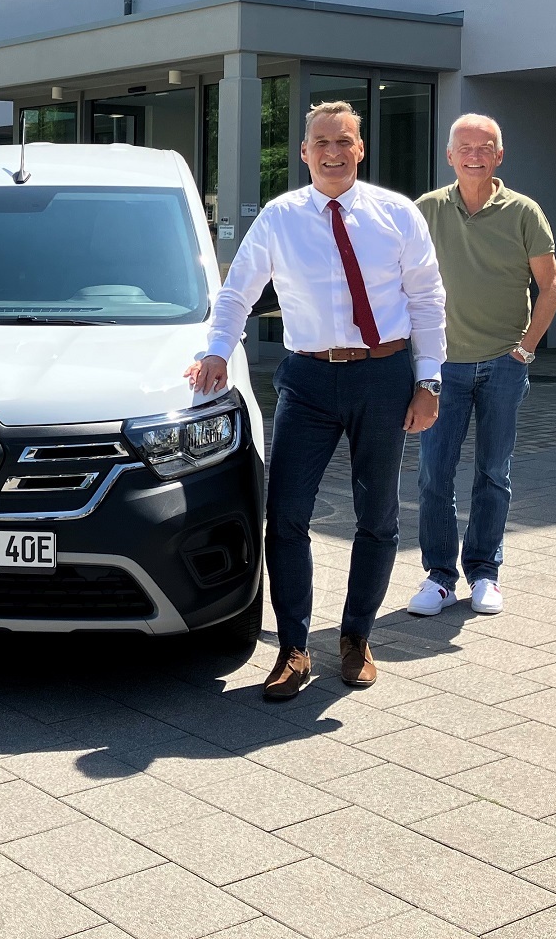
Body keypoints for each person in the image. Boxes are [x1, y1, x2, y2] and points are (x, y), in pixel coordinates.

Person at [190, 101, 446, 701]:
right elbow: (236, 294)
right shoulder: (280, 219)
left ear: (361, 149)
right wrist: (218, 350)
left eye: (344, 141)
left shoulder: (398, 215)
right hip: (306, 380)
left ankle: (356, 638)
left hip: (383, 377)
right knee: (288, 515)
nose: (332, 152)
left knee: (379, 516)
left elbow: (428, 300)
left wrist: (429, 382)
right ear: (304, 152)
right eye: (320, 142)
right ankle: (295, 647)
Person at [408, 114, 556, 618]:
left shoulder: (524, 212)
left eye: (485, 146)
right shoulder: (426, 210)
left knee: (494, 472)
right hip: (441, 367)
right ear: (449, 155)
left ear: (500, 154)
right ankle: (439, 577)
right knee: (435, 474)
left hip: (503, 365)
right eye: (465, 146)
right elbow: (395, 280)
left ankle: (485, 572)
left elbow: (552, 287)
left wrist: (525, 349)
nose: (475, 154)